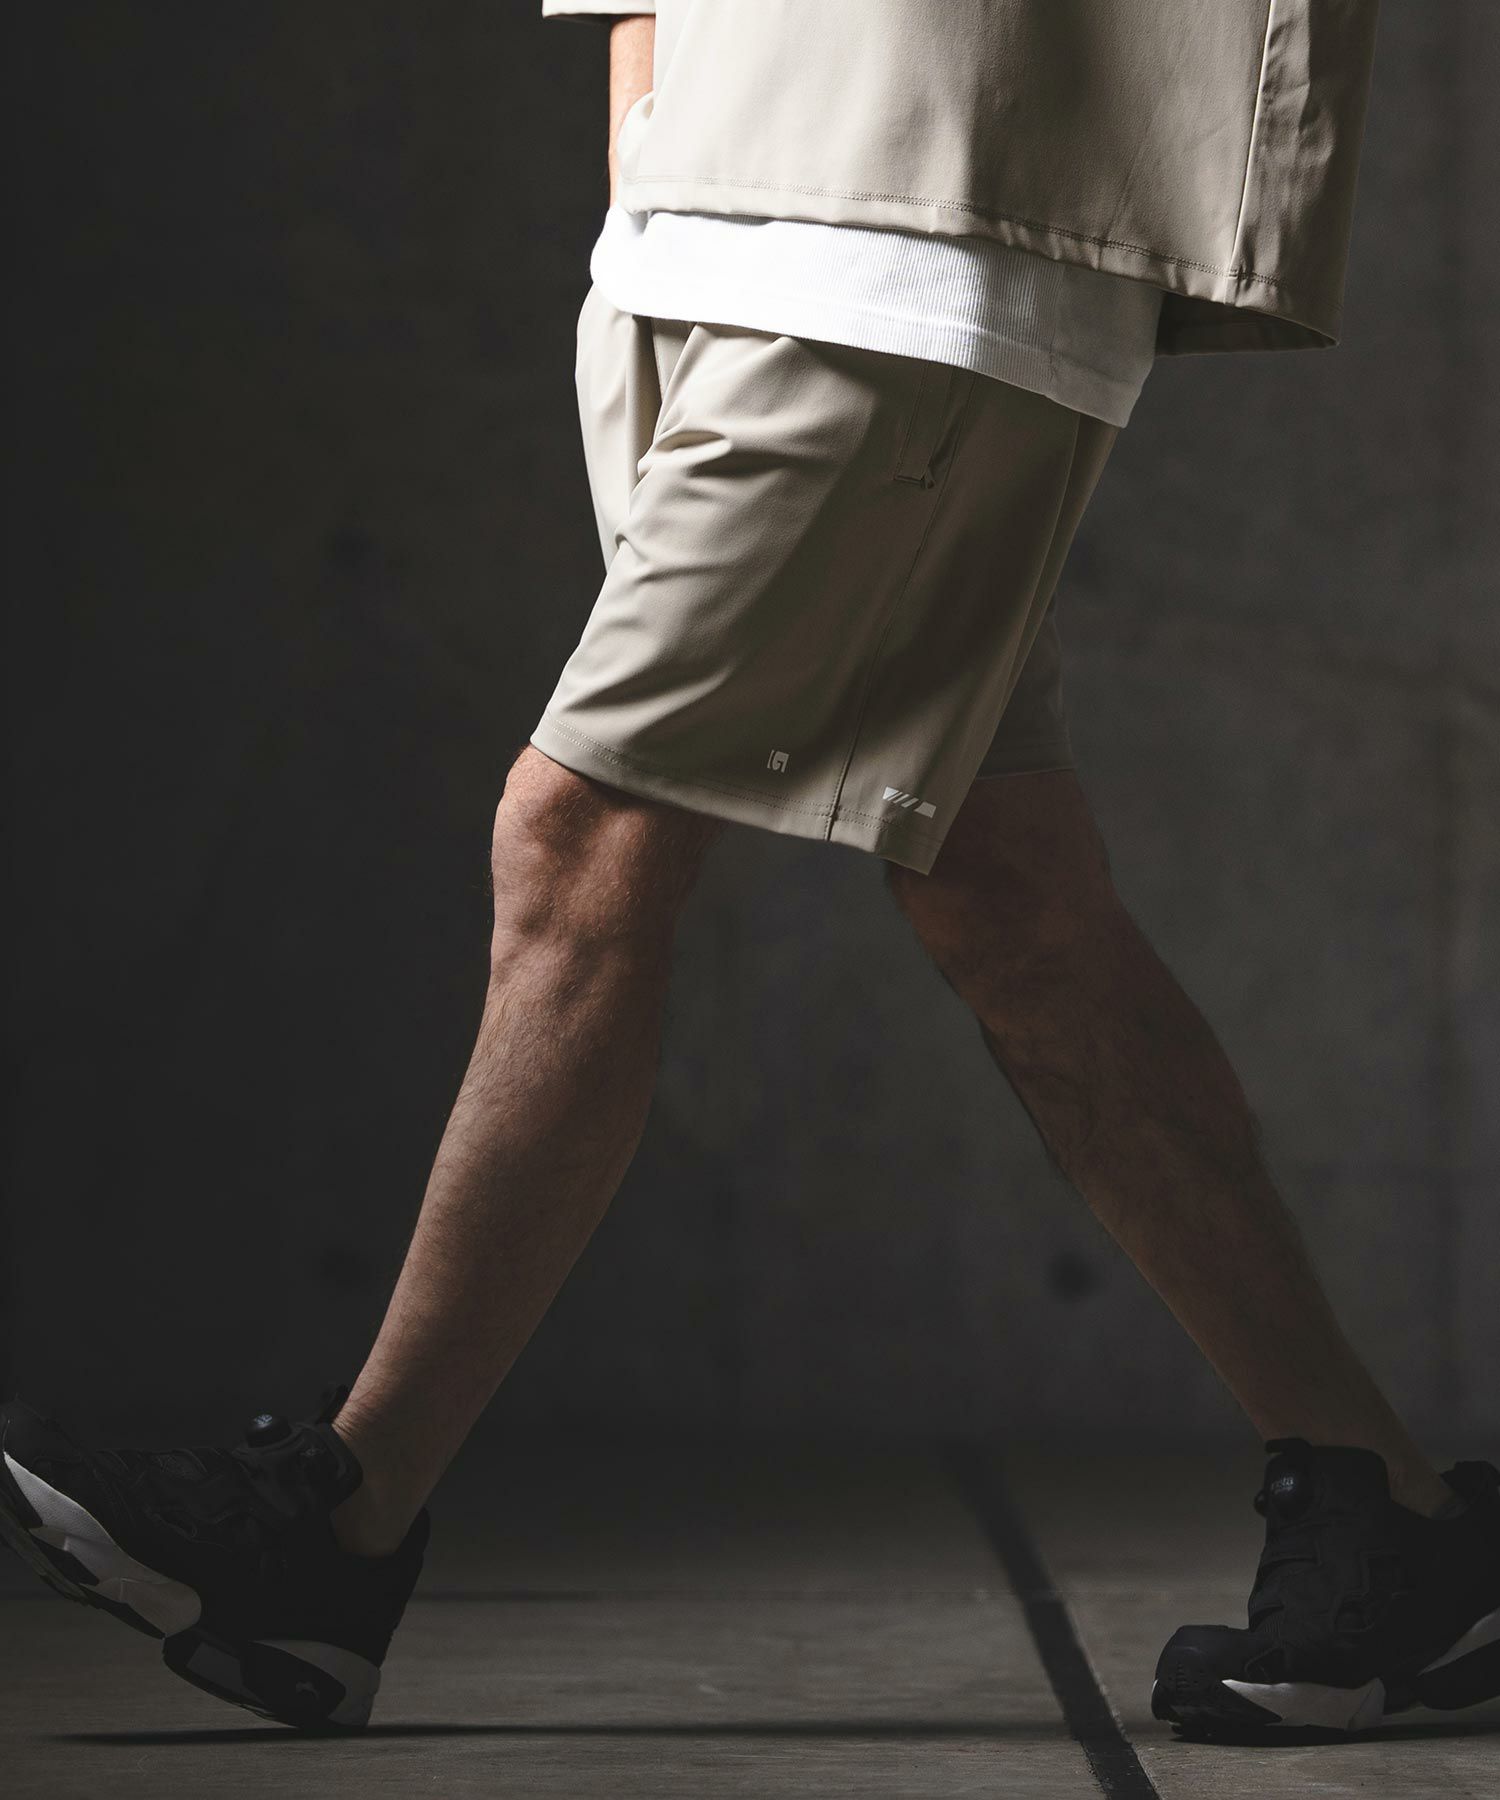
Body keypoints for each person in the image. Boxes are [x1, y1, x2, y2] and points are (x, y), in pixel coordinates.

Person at [1, 0, 1496, 1742]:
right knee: (1010, 900)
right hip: (713, 206)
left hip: (915, 214)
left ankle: (337, 1520)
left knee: (580, 838)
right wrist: (647, 153)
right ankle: (1391, 1521)